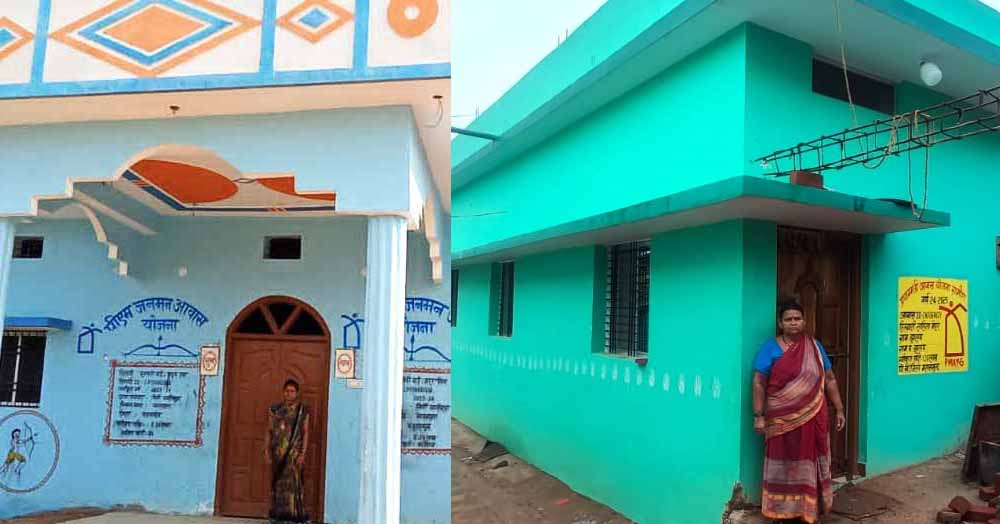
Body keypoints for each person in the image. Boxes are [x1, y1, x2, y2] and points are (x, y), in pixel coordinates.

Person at [752, 301, 846, 524]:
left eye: (797, 318)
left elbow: (830, 379)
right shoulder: (770, 348)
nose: (793, 322)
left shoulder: (814, 346)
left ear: (804, 321)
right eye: (788, 319)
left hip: (813, 416)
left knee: (810, 459)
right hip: (780, 420)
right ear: (780, 323)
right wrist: (758, 416)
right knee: (782, 460)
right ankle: (780, 511)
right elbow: (758, 383)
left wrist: (840, 409)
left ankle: (809, 510)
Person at [264, 378, 311, 524]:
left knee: (294, 486)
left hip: (294, 455)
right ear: (283, 392)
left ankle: (295, 516)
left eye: (292, 391)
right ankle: (279, 516)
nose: (289, 394)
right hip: (278, 455)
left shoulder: (302, 411)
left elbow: (305, 432)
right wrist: (266, 451)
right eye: (287, 391)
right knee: (279, 485)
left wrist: (303, 453)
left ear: (297, 393)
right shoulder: (275, 410)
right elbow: (269, 431)